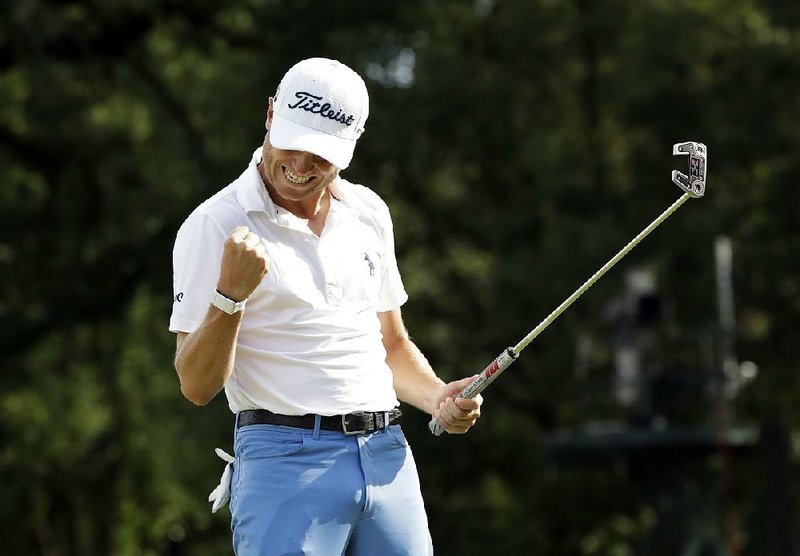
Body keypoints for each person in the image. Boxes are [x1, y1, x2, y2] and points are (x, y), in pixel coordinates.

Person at [169, 57, 483, 555]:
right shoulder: (214, 224)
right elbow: (196, 385)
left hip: (387, 457)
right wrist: (230, 297)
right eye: (292, 143)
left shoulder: (369, 212)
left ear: (351, 146)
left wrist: (438, 396)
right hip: (283, 462)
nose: (299, 165)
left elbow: (391, 344)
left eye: (320, 154)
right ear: (271, 115)